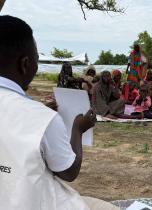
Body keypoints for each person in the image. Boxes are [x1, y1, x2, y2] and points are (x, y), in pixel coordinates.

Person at [0, 15, 119, 210]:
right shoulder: (41, 118)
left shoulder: (38, 115)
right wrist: (78, 130)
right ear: (25, 64)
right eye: (36, 60)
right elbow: (68, 172)